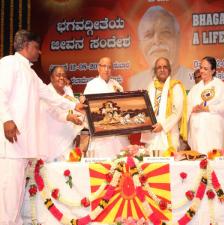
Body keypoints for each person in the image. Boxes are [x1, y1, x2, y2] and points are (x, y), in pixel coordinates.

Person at [0, 30, 84, 225]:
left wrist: (73, 105)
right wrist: (6, 119)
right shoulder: (8, 64)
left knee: (17, 194)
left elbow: (49, 94)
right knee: (8, 195)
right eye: (37, 48)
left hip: (22, 145)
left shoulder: (29, 72)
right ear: (27, 45)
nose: (39, 53)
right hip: (10, 144)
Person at [128, 6, 194, 91]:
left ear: (178, 38)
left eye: (165, 33)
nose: (157, 41)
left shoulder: (193, 81)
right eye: (149, 35)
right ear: (140, 44)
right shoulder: (134, 83)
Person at [140, 57, 187, 156]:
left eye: (165, 67)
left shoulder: (175, 87)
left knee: (168, 167)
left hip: (168, 133)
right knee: (152, 167)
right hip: (152, 135)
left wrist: (163, 125)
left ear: (169, 70)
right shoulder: (150, 86)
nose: (162, 69)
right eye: (159, 67)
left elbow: (177, 112)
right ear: (155, 71)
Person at [84, 57, 129, 157]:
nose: (106, 69)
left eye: (109, 67)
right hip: (101, 134)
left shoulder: (117, 85)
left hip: (117, 133)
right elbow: (87, 109)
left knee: (120, 164)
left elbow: (122, 106)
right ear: (98, 68)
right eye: (104, 66)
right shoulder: (91, 85)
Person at [188, 56, 224, 154]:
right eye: (201, 67)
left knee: (213, 160)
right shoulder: (195, 88)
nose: (202, 71)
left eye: (205, 69)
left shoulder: (220, 85)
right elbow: (188, 107)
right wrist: (193, 109)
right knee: (198, 159)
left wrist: (207, 108)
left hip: (213, 130)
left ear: (213, 71)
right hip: (197, 131)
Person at [41, 66, 84, 161]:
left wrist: (79, 120)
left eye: (64, 75)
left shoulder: (68, 91)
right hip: (51, 143)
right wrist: (69, 117)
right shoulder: (47, 93)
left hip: (68, 141)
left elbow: (77, 110)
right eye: (58, 75)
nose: (61, 78)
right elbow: (53, 112)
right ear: (51, 78)